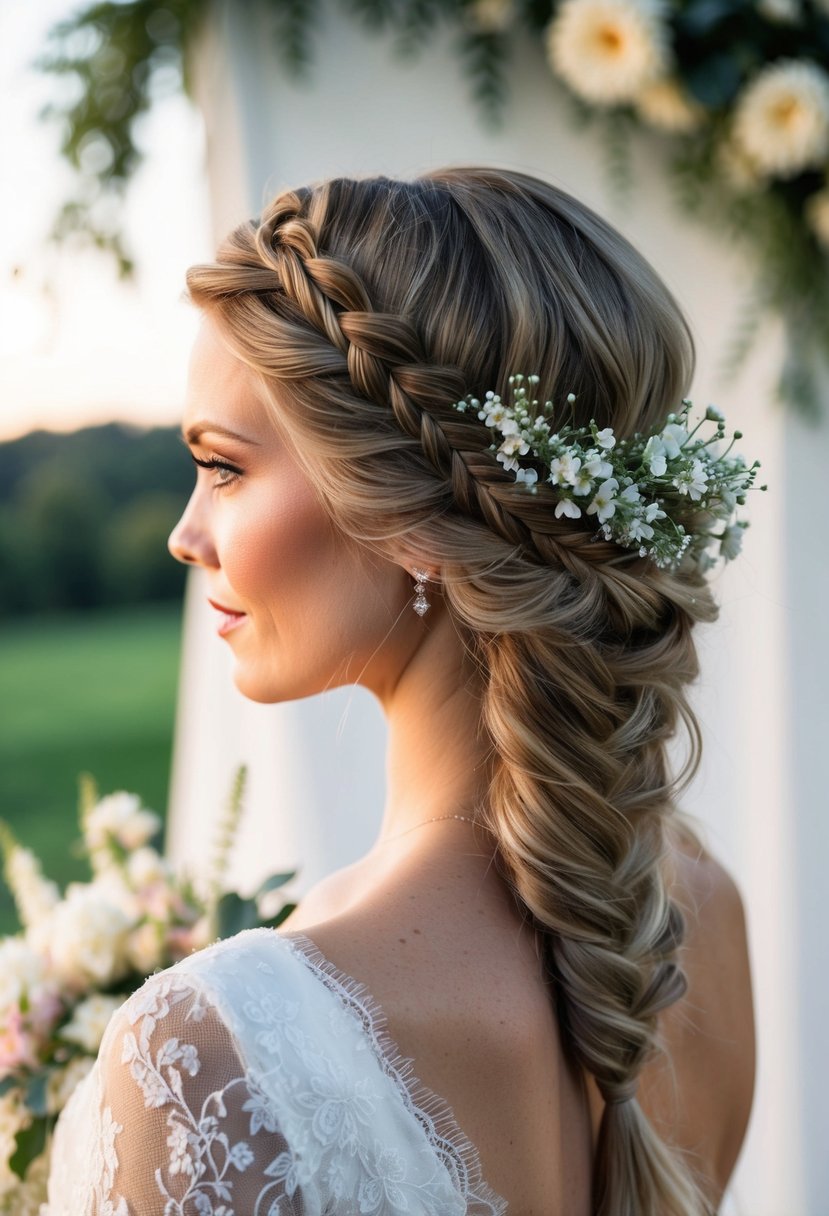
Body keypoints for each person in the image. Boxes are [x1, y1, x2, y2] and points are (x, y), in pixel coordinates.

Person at [45, 167, 755, 1215]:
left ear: (419, 512)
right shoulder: (686, 913)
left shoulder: (203, 1055)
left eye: (225, 468)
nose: (183, 534)